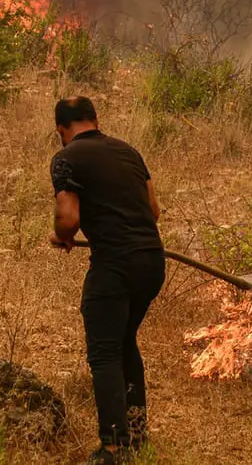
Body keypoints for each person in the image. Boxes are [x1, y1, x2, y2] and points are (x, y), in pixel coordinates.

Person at [47, 97, 165, 465]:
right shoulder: (128, 151)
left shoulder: (67, 158)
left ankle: (113, 448)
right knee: (124, 342)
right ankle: (137, 432)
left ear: (61, 130)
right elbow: (154, 211)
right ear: (96, 120)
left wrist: (62, 235)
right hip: (152, 262)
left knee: (104, 353)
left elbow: (68, 218)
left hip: (114, 267)